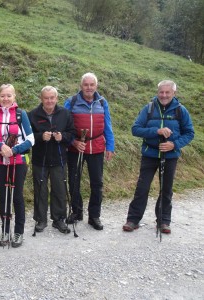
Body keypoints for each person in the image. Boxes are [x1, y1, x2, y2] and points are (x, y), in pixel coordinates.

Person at [123, 80, 194, 233]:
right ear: (158, 92)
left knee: (166, 189)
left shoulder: (181, 111)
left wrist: (174, 144)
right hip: (150, 154)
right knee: (142, 188)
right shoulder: (149, 108)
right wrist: (156, 131)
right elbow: (135, 129)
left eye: (167, 92)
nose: (164, 95)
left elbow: (189, 133)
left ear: (174, 93)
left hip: (170, 156)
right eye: (161, 92)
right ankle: (133, 219)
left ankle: (163, 221)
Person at [0, 84, 34, 247]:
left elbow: (30, 140)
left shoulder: (21, 115)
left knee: (17, 196)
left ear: (14, 97)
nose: (5, 99)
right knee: (3, 196)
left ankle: (18, 232)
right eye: (2, 96)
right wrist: (0, 147)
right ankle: (5, 230)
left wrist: (14, 150)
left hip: (18, 161)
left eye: (9, 96)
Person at [64, 72, 115, 230]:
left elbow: (108, 125)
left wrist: (110, 146)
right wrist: (73, 141)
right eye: (86, 85)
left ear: (96, 86)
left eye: (92, 85)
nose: (88, 87)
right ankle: (76, 211)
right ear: (81, 86)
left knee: (97, 183)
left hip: (97, 146)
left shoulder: (102, 102)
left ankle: (94, 216)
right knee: (74, 181)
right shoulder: (71, 102)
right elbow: (63, 126)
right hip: (76, 147)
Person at [28, 86, 75, 234]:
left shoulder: (65, 114)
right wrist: (40, 137)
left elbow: (72, 133)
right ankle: (41, 220)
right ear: (41, 99)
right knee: (40, 190)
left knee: (59, 190)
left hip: (59, 158)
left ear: (56, 98)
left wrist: (63, 137)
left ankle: (59, 219)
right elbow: (27, 137)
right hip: (39, 159)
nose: (49, 101)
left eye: (52, 98)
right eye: (46, 98)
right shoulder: (32, 115)